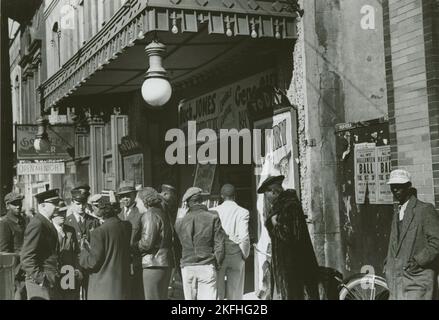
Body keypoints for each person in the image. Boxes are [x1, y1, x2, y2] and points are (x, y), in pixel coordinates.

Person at [257, 175, 319, 300]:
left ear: (273, 191)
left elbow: (289, 235)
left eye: (266, 193)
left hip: (293, 265)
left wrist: (274, 224)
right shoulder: (281, 206)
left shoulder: (289, 206)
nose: (266, 198)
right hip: (286, 265)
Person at [385, 169, 439, 300]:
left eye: (400, 186)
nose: (395, 190)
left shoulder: (425, 209)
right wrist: (388, 264)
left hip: (417, 280)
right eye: (393, 187)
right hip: (397, 281)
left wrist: (418, 261)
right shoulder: (397, 212)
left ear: (408, 187)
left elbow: (436, 242)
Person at [79, 191, 132, 300]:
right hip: (122, 286)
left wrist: (83, 251)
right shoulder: (127, 226)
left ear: (103, 208)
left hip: (102, 288)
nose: (93, 209)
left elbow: (93, 262)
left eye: (95, 206)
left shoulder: (99, 232)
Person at [175, 187, 225, 300]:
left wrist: (182, 265)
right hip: (207, 265)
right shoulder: (213, 217)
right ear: (202, 200)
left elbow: (177, 248)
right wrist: (217, 264)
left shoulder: (179, 222)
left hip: (187, 267)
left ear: (187, 203)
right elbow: (220, 245)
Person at [20, 189, 61, 300]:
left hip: (49, 280)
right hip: (39, 284)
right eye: (54, 203)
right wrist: (41, 278)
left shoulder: (46, 222)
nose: (58, 206)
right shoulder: (37, 223)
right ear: (42, 205)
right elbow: (26, 257)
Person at [212, 184, 250, 300]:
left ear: (221, 196)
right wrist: (244, 255)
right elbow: (244, 237)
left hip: (218, 255)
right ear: (235, 196)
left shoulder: (213, 211)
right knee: (234, 293)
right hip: (235, 254)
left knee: (217, 291)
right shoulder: (243, 212)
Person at [137, 187, 174, 300]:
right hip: (164, 262)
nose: (137, 205)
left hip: (153, 264)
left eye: (137, 202)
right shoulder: (162, 212)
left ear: (144, 201)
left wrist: (133, 246)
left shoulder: (150, 215)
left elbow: (147, 243)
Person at [65, 185, 100, 299]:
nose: (81, 207)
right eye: (78, 203)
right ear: (72, 203)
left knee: (89, 294)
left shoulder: (94, 221)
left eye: (83, 203)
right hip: (71, 265)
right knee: (71, 294)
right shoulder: (66, 222)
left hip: (89, 264)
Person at [117, 181, 144, 299]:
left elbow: (145, 236)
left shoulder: (141, 213)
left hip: (136, 260)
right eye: (122, 196)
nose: (125, 199)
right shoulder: (118, 215)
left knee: (137, 292)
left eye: (128, 195)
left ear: (134, 195)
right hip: (121, 261)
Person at [0, 192, 28, 300]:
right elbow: (4, 252)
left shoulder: (23, 220)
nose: (18, 206)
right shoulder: (4, 223)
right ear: (7, 206)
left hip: (26, 268)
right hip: (15, 272)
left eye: (19, 202)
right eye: (14, 203)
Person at [52, 201, 82, 300]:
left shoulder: (70, 230)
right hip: (54, 274)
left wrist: (77, 269)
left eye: (64, 212)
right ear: (52, 214)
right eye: (59, 213)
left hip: (69, 272)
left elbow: (76, 252)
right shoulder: (48, 230)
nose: (62, 215)